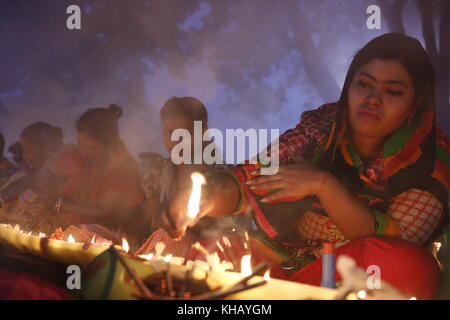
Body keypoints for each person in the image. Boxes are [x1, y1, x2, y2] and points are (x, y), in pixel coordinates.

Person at [163, 33, 449, 299]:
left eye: (394, 92)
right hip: (286, 264)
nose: (372, 100)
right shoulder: (322, 126)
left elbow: (397, 240)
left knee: (410, 265)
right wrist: (202, 199)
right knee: (211, 252)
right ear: (349, 84)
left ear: (417, 102)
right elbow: (249, 176)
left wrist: (323, 185)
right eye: (364, 84)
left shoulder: (431, 160)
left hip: (355, 276)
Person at [136, 97, 251, 256]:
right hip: (161, 252)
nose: (176, 141)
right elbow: (149, 223)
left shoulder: (223, 176)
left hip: (211, 256)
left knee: (171, 241)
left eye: (185, 133)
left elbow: (231, 231)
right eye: (169, 132)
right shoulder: (158, 172)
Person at [55, 104, 145, 242]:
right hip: (84, 226)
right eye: (80, 144)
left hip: (115, 234)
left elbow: (105, 211)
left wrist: (63, 205)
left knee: (77, 233)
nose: (82, 151)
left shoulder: (123, 169)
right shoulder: (90, 160)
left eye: (91, 148)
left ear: (109, 146)